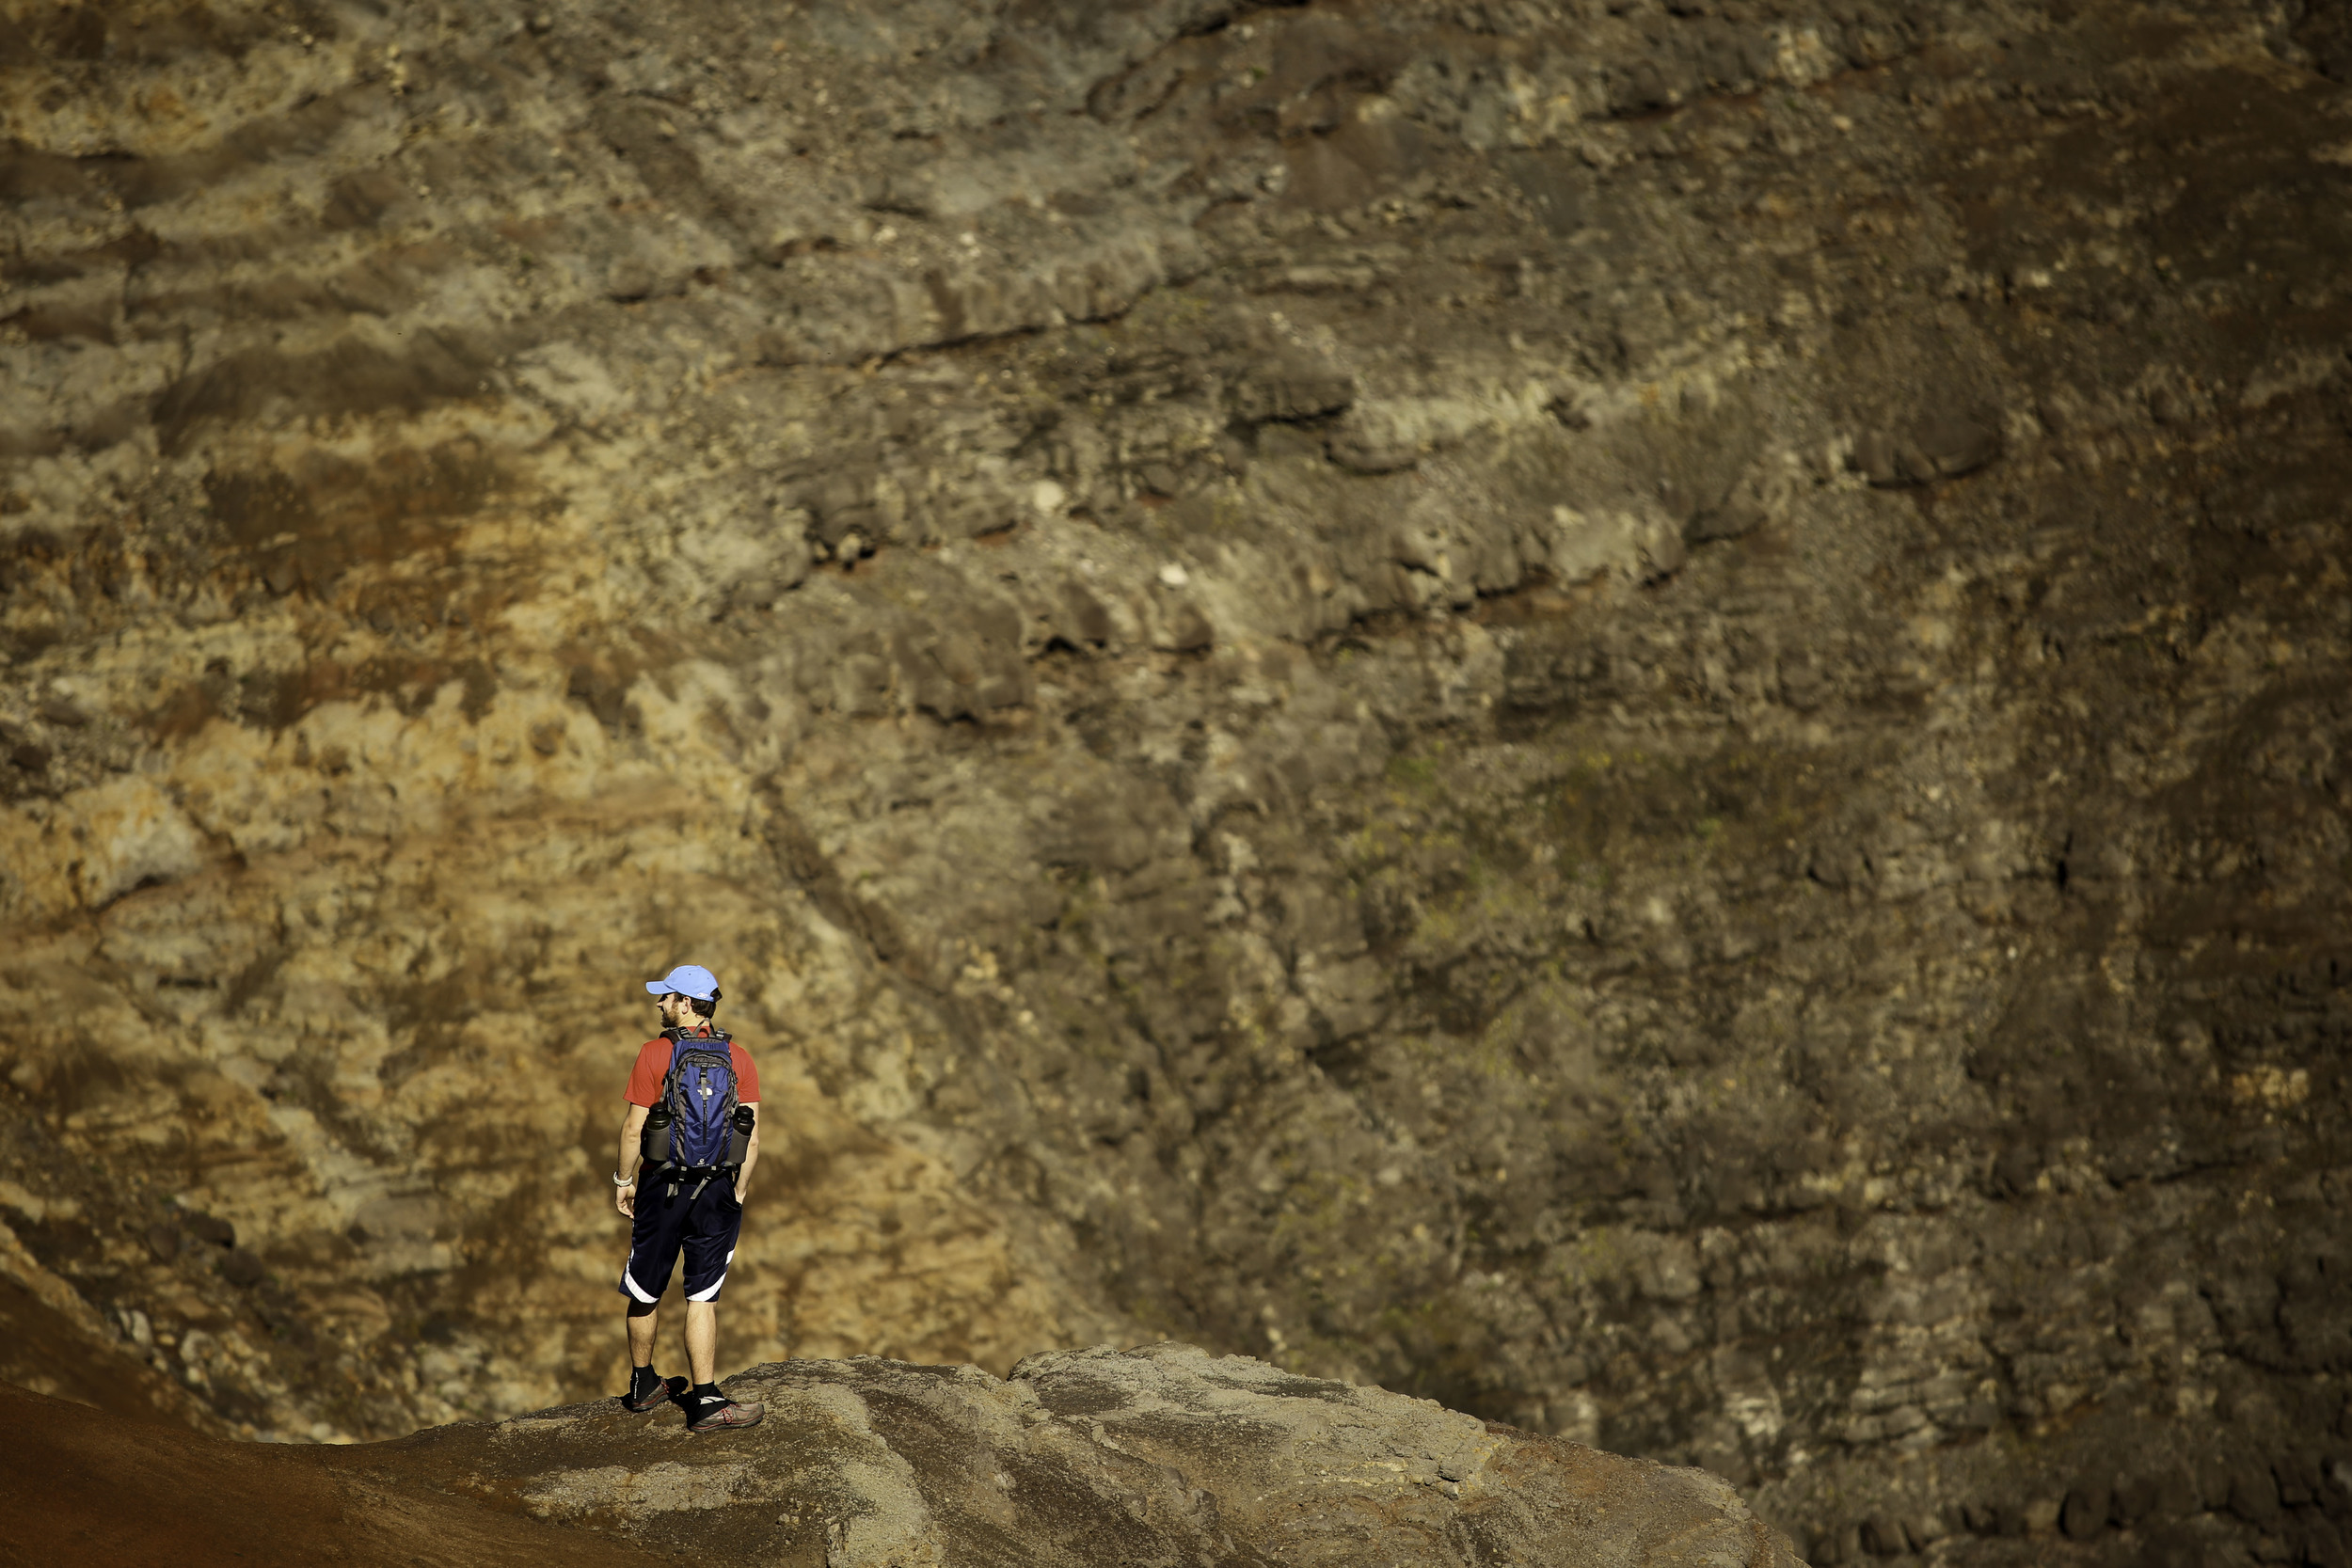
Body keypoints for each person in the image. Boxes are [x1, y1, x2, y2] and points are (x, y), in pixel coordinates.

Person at [612, 963, 766, 1432]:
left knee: (645, 1287)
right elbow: (752, 1136)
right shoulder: (738, 1057)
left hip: (663, 1186)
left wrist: (624, 1181)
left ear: (685, 1003)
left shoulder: (653, 1054)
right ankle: (705, 1401)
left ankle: (643, 1385)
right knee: (702, 1296)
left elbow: (635, 1128)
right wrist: (737, 1191)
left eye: (666, 997)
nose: (659, 1004)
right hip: (717, 1187)